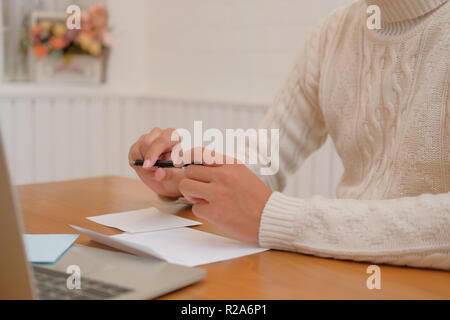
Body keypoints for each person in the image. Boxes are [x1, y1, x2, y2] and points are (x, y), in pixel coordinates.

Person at [129, 0, 450, 270]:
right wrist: (188, 174)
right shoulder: (332, 35)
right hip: (343, 269)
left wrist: (277, 218)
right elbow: (265, 158)